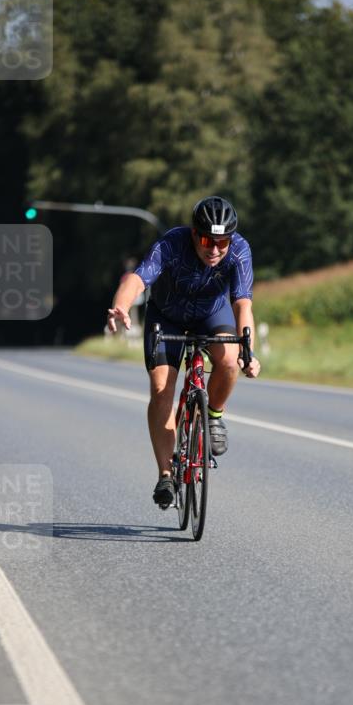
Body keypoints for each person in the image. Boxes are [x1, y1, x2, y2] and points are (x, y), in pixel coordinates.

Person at [107, 195, 261, 508]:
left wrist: (248, 350)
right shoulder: (171, 245)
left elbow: (243, 304)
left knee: (229, 361)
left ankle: (214, 416)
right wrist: (120, 306)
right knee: (162, 388)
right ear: (193, 233)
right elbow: (138, 280)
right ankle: (166, 474)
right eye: (207, 240)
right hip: (167, 316)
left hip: (211, 315)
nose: (214, 249)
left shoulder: (241, 251)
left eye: (222, 242)